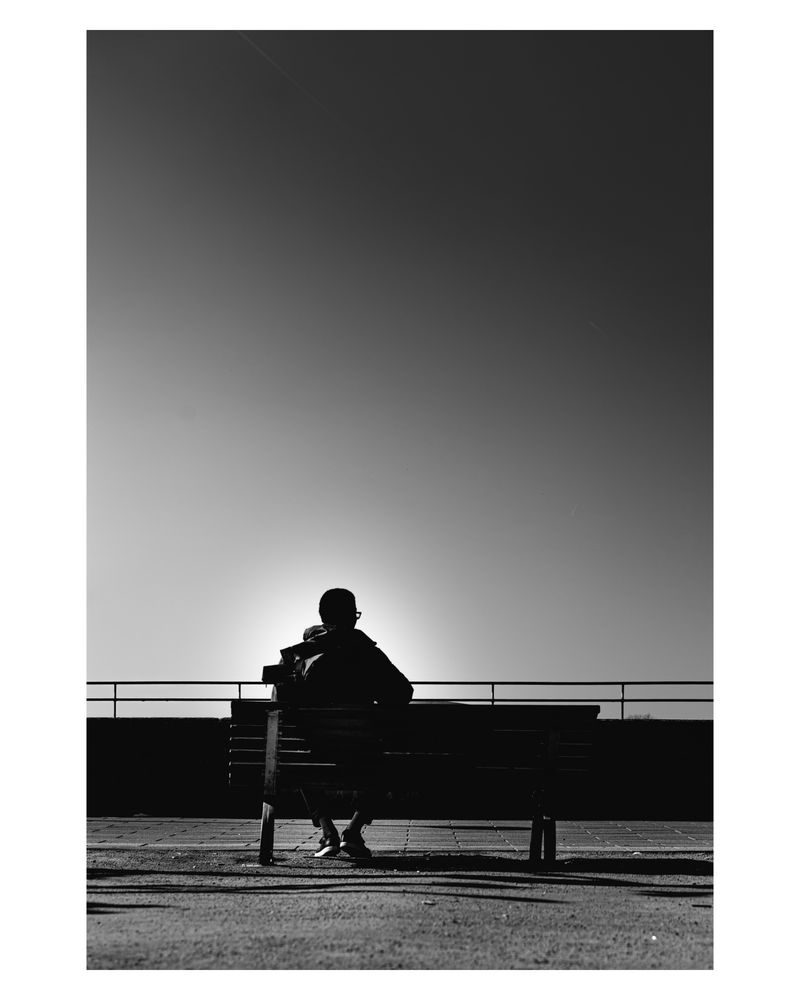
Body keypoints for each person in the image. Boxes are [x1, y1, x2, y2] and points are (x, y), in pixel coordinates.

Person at [278, 588, 413, 858]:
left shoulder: (298, 655)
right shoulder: (368, 653)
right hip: (362, 750)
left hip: (315, 751)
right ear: (352, 617)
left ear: (322, 616)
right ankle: (353, 832)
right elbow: (402, 693)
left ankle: (328, 833)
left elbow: (281, 698)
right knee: (390, 759)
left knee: (297, 756)